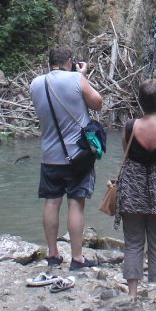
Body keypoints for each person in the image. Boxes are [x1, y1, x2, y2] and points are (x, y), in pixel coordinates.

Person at [29, 46, 104, 270]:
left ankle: (53, 255)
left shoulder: (35, 83)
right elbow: (98, 102)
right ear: (70, 61)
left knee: (51, 202)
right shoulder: (76, 80)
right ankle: (77, 258)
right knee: (75, 204)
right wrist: (82, 77)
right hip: (77, 155)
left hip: (49, 155)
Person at [114, 78, 156, 304]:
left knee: (133, 243)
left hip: (132, 186)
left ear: (140, 102)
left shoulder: (130, 126)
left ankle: (132, 294)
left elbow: (127, 151)